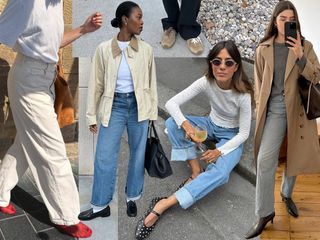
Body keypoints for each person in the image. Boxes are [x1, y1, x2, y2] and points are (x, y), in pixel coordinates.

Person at [0, 1, 102, 238]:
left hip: (45, 77)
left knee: (26, 144)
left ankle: (1, 191)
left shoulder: (54, 3)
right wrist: (26, 48)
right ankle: (66, 216)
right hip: (28, 80)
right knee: (53, 150)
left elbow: (50, 45)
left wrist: (83, 29)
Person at [134, 40, 253, 240]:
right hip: (209, 125)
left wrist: (219, 151)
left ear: (237, 67)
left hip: (231, 135)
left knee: (221, 173)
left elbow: (243, 134)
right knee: (173, 123)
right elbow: (171, 103)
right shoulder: (207, 82)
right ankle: (196, 171)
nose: (222, 67)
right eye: (217, 61)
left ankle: (162, 204)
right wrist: (187, 126)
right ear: (211, 64)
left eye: (228, 62)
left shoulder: (243, 94)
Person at [245, 1, 320, 238]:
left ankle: (286, 194)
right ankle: (265, 212)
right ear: (274, 21)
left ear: (295, 22)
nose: (287, 23)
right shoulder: (263, 48)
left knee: (295, 158)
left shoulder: (304, 46)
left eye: (291, 20)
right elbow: (258, 84)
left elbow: (317, 76)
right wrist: (260, 111)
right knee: (265, 160)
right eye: (282, 19)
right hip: (275, 109)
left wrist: (300, 56)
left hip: (298, 108)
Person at [78, 1, 157, 221]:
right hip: (113, 107)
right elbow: (96, 86)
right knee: (103, 156)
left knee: (137, 154)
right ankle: (99, 206)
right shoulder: (103, 49)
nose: (142, 22)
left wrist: (151, 114)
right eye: (138, 17)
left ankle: (132, 198)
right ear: (125, 19)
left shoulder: (146, 50)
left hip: (138, 108)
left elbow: (151, 84)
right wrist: (91, 115)